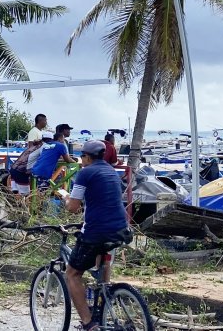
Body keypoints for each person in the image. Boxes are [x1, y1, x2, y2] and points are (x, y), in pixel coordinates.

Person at [63, 140, 131, 331]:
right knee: (101, 258)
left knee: (72, 274)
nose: (81, 160)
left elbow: (73, 207)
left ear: (87, 157)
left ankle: (88, 323)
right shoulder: (111, 171)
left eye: (82, 157)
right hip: (120, 228)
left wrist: (65, 198)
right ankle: (105, 292)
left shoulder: (85, 173)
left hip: (97, 230)